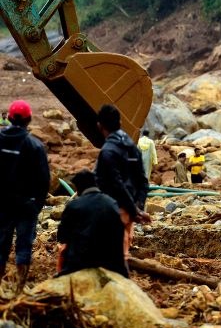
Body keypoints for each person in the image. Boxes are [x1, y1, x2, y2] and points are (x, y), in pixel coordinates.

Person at [0, 100, 49, 293]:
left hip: (2, 204)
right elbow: (44, 180)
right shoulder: (35, 146)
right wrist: (36, 206)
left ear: (10, 118)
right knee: (23, 247)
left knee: (1, 245)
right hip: (26, 206)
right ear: (29, 120)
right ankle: (19, 288)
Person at [94, 104, 151, 262]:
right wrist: (139, 207)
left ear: (100, 125)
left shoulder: (107, 151)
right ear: (120, 123)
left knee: (113, 258)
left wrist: (134, 211)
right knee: (122, 253)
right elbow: (143, 181)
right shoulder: (133, 147)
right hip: (129, 210)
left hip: (113, 210)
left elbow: (115, 184)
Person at [57, 170, 127, 277]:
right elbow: (120, 234)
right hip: (110, 262)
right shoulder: (112, 203)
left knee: (63, 250)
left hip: (80, 263)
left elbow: (62, 237)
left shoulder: (74, 205)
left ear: (79, 187)